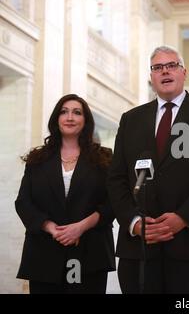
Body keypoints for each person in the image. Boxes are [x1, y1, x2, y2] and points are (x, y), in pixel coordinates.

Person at [107, 45, 189, 294]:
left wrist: (183, 218)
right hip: (140, 249)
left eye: (172, 65)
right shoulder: (130, 119)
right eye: (157, 67)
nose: (165, 71)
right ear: (151, 77)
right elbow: (116, 179)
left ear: (184, 72)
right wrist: (133, 222)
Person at [15, 94, 116, 294]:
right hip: (44, 254)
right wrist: (51, 227)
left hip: (90, 254)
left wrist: (80, 227)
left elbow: (112, 203)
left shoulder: (104, 158)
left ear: (85, 121)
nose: (70, 117)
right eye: (64, 112)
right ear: (56, 119)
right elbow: (23, 202)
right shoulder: (37, 159)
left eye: (77, 112)